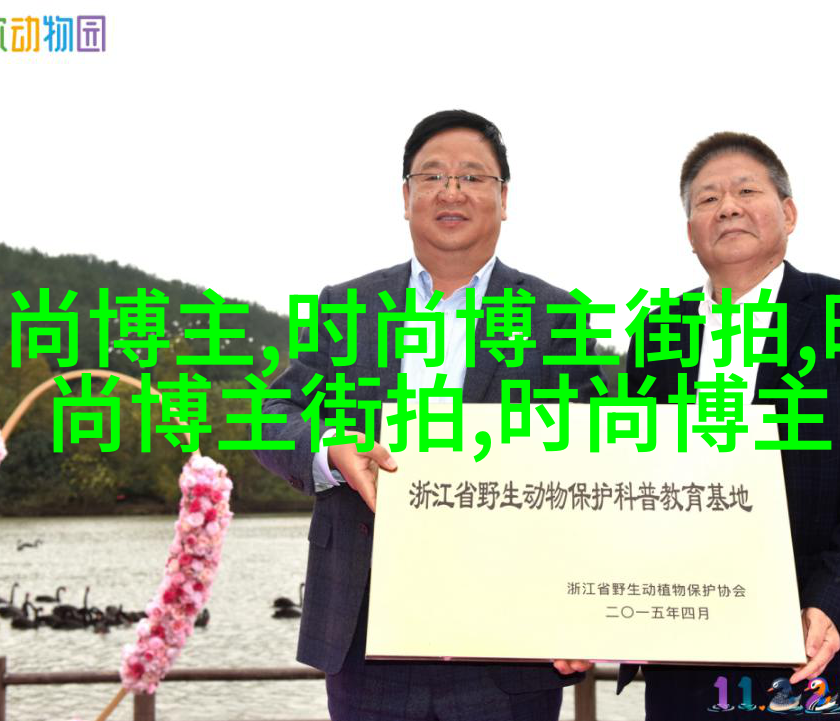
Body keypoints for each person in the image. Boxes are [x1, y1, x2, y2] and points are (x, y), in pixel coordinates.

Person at [253, 109, 600, 721]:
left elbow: (597, 464)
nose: (451, 191)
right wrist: (331, 450)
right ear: (406, 196)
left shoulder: (557, 316)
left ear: (504, 198)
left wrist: (584, 609)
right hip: (368, 641)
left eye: (473, 176)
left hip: (512, 642)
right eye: (433, 176)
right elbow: (270, 418)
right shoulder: (348, 306)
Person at [617, 132, 840, 719]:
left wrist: (835, 605)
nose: (727, 207)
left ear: (788, 213)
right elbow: (633, 485)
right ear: (690, 232)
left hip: (819, 652)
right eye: (707, 199)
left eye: (746, 191)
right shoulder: (656, 332)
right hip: (687, 656)